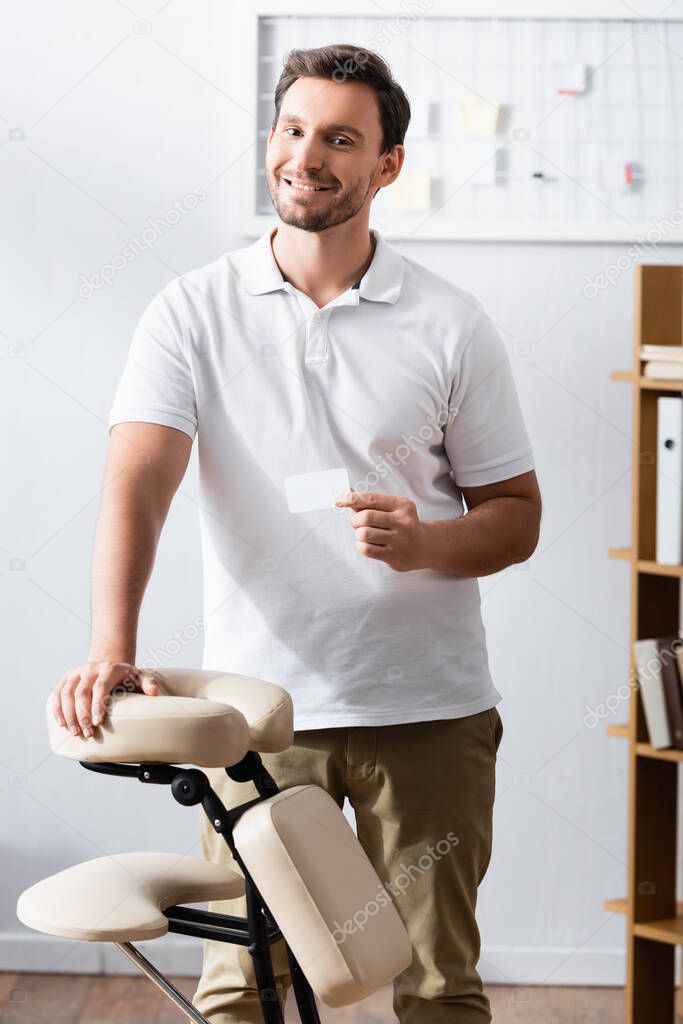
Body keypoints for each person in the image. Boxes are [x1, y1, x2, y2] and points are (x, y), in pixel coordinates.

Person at [49, 43, 541, 1024]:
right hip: (256, 719)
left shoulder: (448, 322)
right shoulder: (191, 311)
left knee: (438, 987)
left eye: (340, 139)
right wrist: (113, 647)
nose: (306, 156)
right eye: (292, 129)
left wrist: (427, 544)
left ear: (386, 166)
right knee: (243, 986)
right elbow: (138, 480)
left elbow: (515, 515)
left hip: (430, 712)